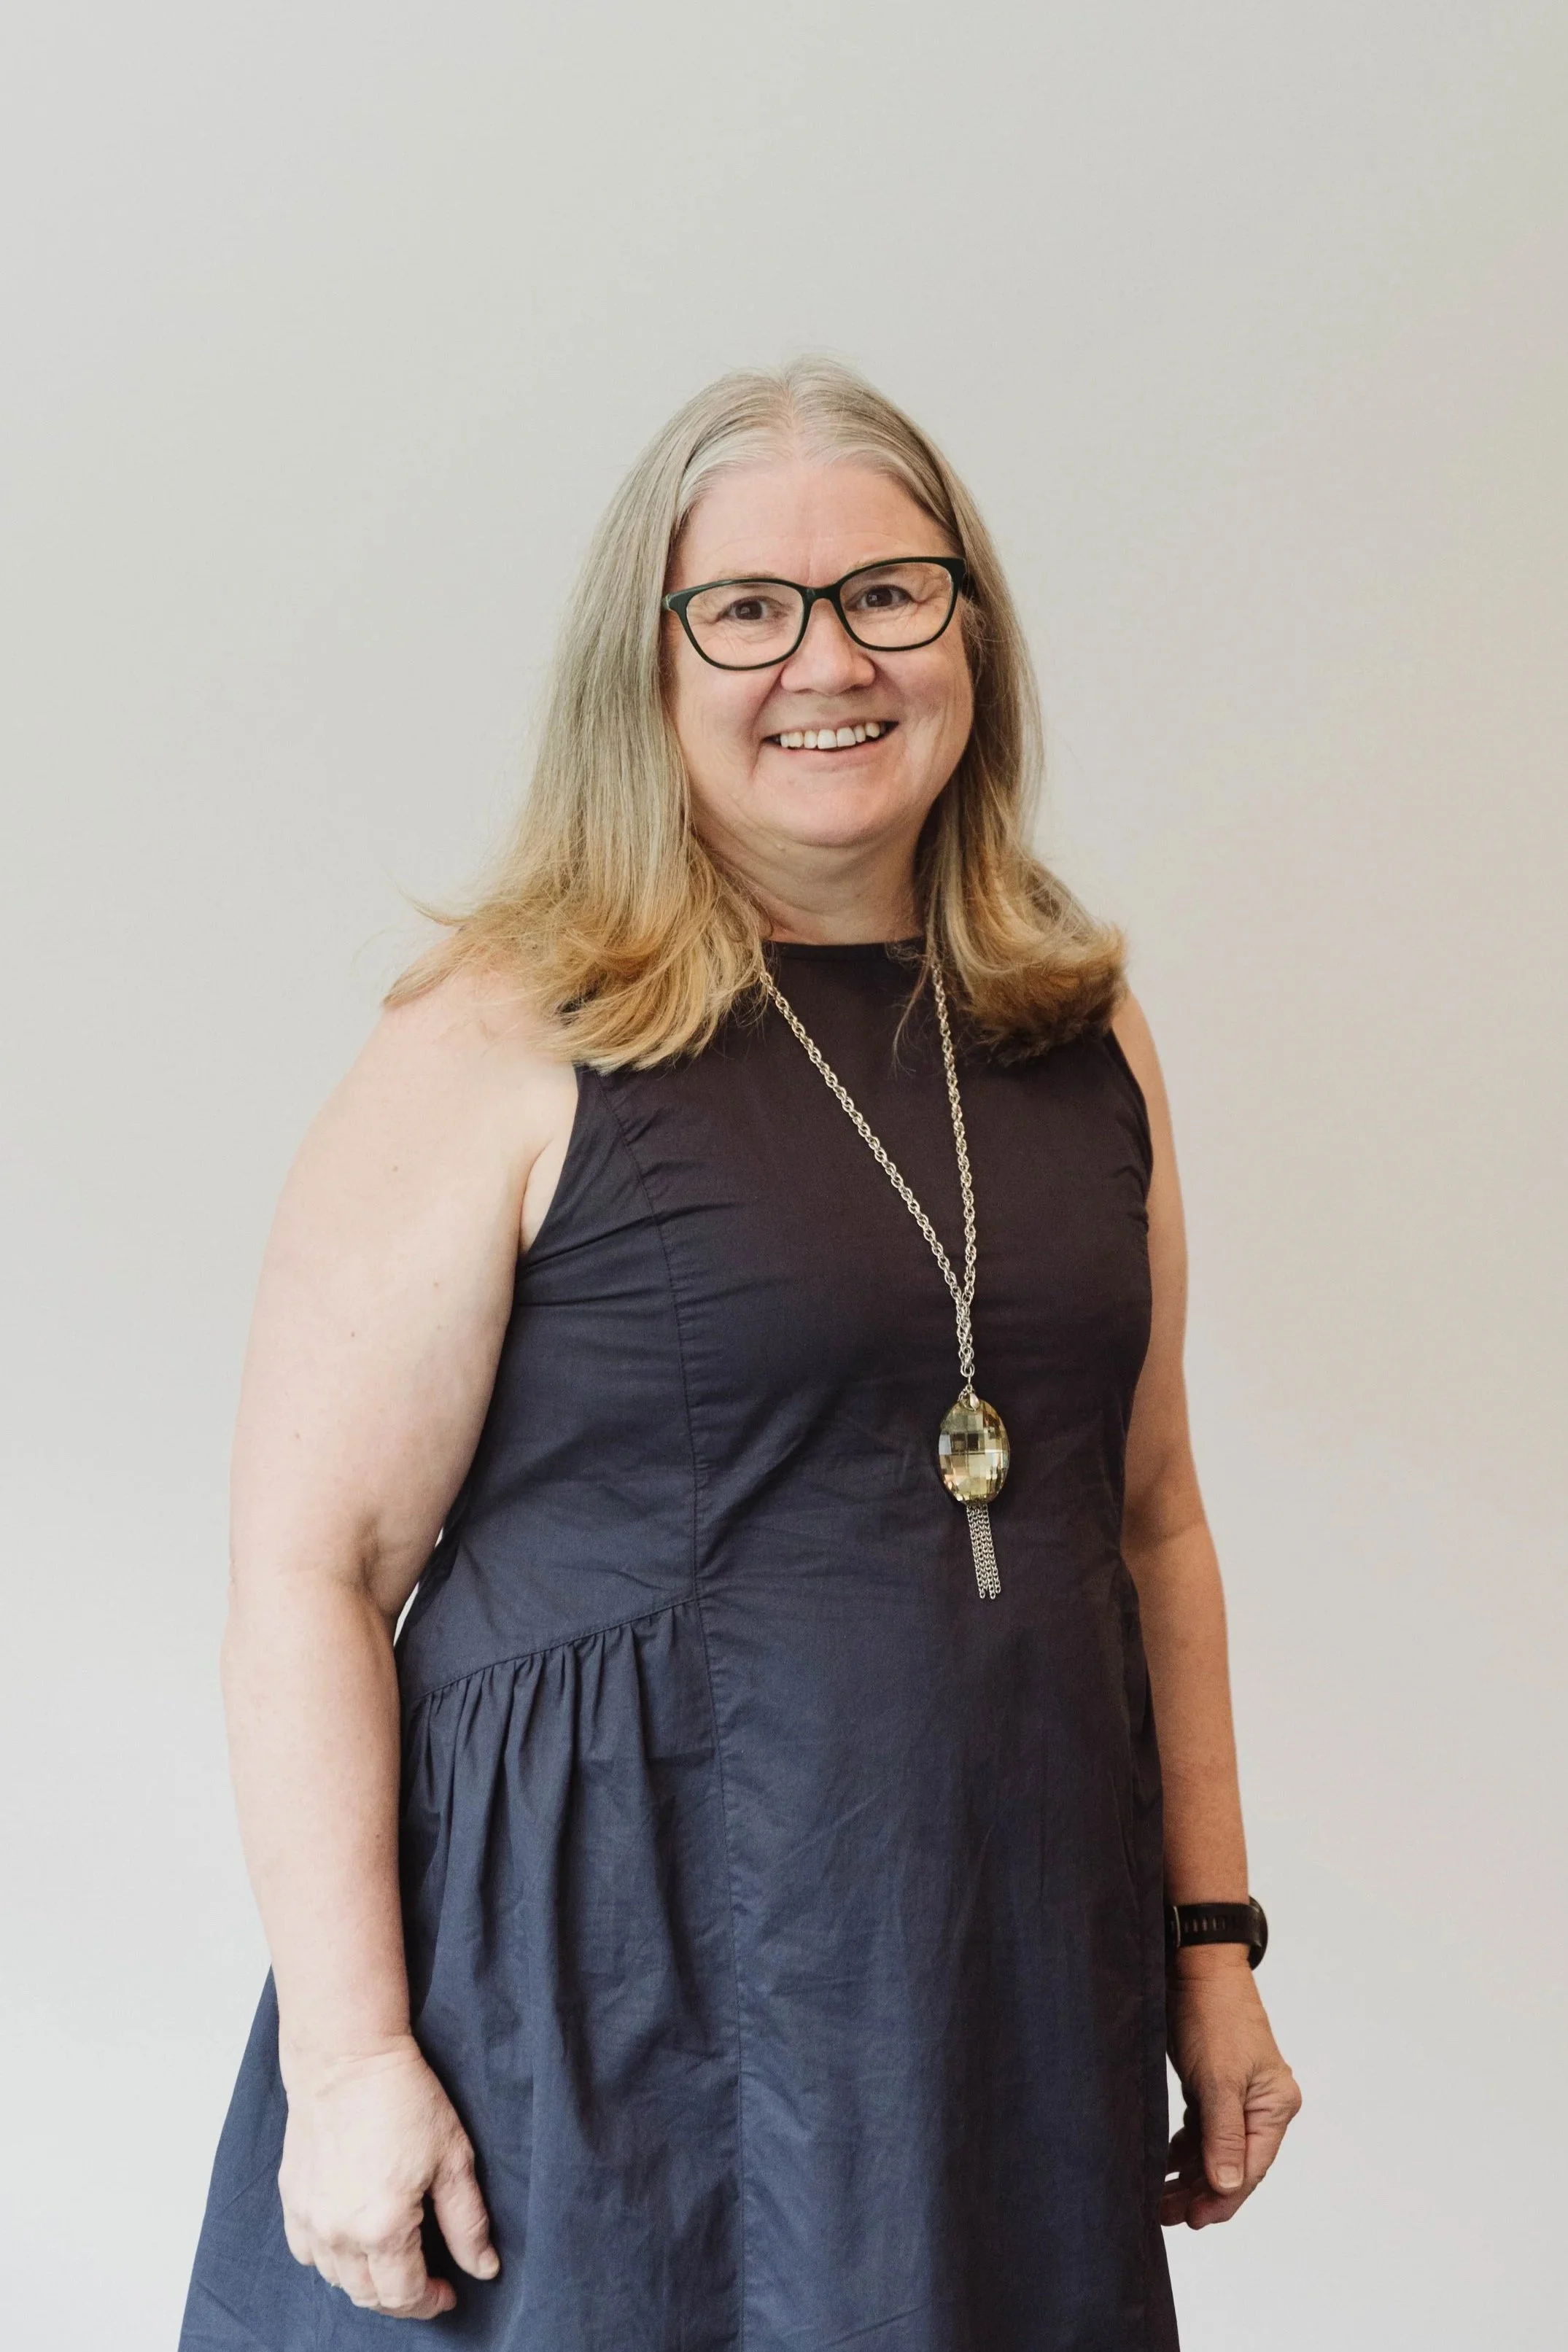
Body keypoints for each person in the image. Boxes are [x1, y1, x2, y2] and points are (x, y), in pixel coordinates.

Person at [182, 357, 1300, 2351]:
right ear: (653, 661)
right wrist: (351, 2065)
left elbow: (1149, 1526)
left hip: (984, 1970)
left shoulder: (1077, 1032)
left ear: (969, 630)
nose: (826, 660)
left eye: (886, 592)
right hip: (598, 2010)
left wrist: (1213, 1952)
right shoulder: (501, 1035)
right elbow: (307, 1578)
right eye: (748, 611)